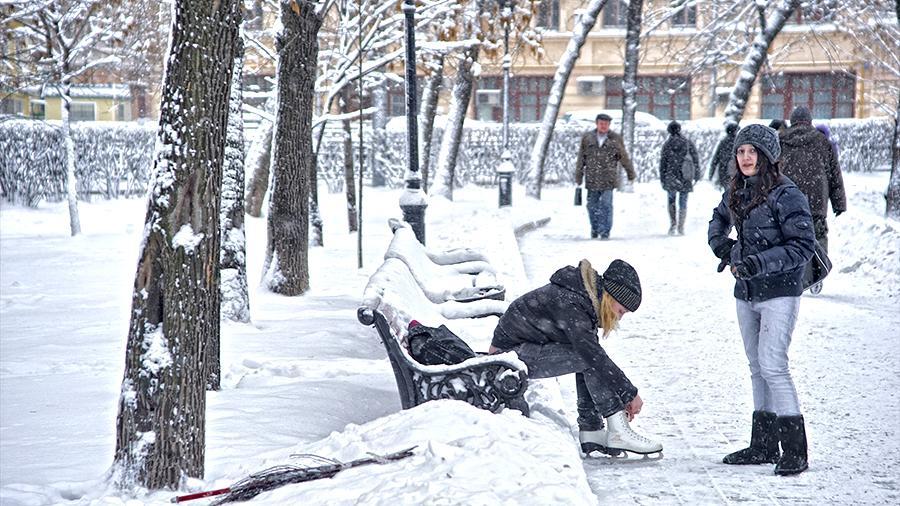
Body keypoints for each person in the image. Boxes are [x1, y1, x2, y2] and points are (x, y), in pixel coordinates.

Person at [707, 124, 816, 476]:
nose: (746, 158)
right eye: (741, 151)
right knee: (756, 368)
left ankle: (795, 450)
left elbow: (802, 246)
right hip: (746, 292)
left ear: (767, 156)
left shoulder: (788, 194)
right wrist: (722, 246)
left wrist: (758, 262)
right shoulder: (736, 191)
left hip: (780, 292)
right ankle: (764, 445)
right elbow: (718, 220)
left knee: (773, 365)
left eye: (752, 151)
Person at [489, 258, 662, 457]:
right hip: (507, 359)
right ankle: (617, 430)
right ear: (609, 297)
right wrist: (629, 393)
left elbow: (591, 351)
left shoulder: (583, 299)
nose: (620, 317)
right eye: (621, 310)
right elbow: (593, 356)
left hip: (519, 352)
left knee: (586, 356)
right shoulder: (571, 301)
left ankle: (592, 430)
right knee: (587, 358)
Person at [779, 106, 847, 294]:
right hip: (816, 200)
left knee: (790, 237)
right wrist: (839, 203)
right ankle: (817, 274)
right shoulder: (822, 141)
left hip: (789, 199)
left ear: (792, 121)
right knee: (817, 236)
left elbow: (773, 171)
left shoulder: (782, 140)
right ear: (809, 121)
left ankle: (794, 274)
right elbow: (834, 174)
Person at [575, 113, 637, 240]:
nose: (604, 126)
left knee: (606, 205)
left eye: (606, 124)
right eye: (601, 123)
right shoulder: (588, 138)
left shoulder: (615, 138)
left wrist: (630, 173)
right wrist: (579, 175)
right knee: (592, 206)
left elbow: (623, 157)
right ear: (596, 124)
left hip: (608, 178)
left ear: (609, 125)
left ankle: (605, 231)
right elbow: (581, 158)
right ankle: (595, 228)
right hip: (592, 177)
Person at [659, 121, 701, 235]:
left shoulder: (667, 144)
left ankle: (673, 224)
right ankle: (681, 226)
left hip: (670, 175)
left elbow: (663, 163)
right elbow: (695, 159)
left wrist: (662, 178)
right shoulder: (687, 143)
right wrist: (697, 174)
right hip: (685, 175)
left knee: (671, 201)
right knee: (683, 201)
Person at [708, 123, 738, 190]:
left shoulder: (723, 142)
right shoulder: (738, 142)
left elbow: (716, 158)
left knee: (727, 191)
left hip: (724, 171)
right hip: (736, 171)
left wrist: (711, 173)